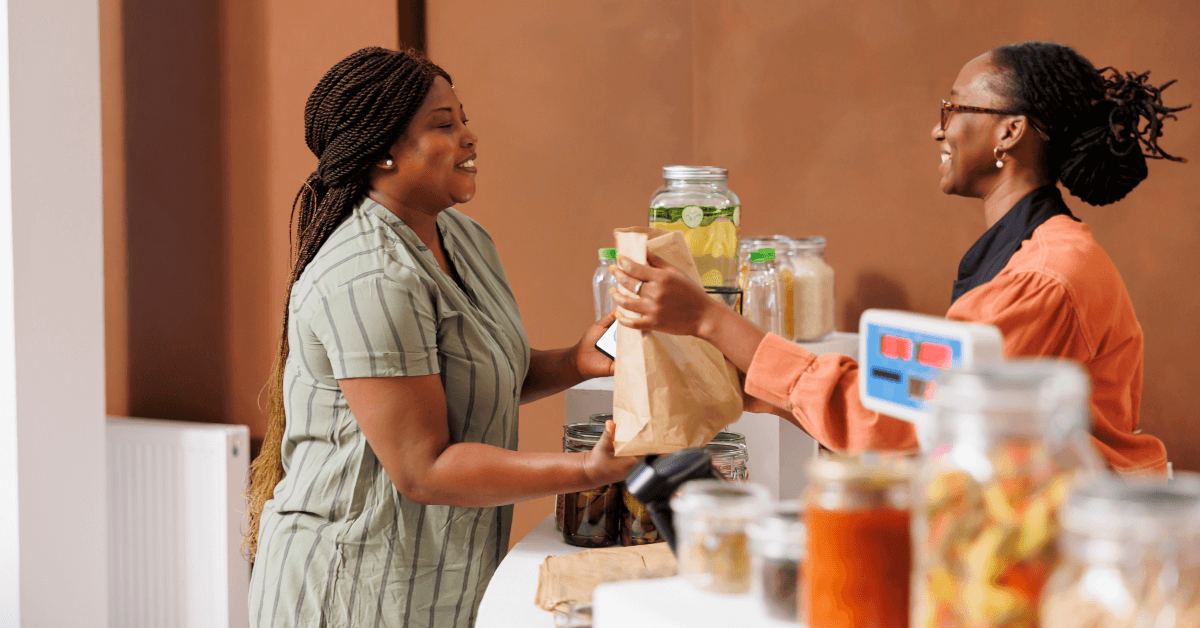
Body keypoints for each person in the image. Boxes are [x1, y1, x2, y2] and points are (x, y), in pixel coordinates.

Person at [611, 42, 1187, 476]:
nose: (937, 129)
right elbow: (904, 405)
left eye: (952, 108)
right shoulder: (1034, 256)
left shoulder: (1043, 280)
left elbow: (895, 422)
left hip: (1068, 540)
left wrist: (710, 321)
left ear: (1008, 132)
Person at [243, 48, 637, 628]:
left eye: (465, 119)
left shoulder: (463, 238)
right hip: (350, 595)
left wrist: (575, 361)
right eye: (444, 126)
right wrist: (585, 471)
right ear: (381, 150)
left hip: (437, 584)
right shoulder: (370, 274)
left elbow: (471, 378)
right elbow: (422, 469)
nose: (470, 138)